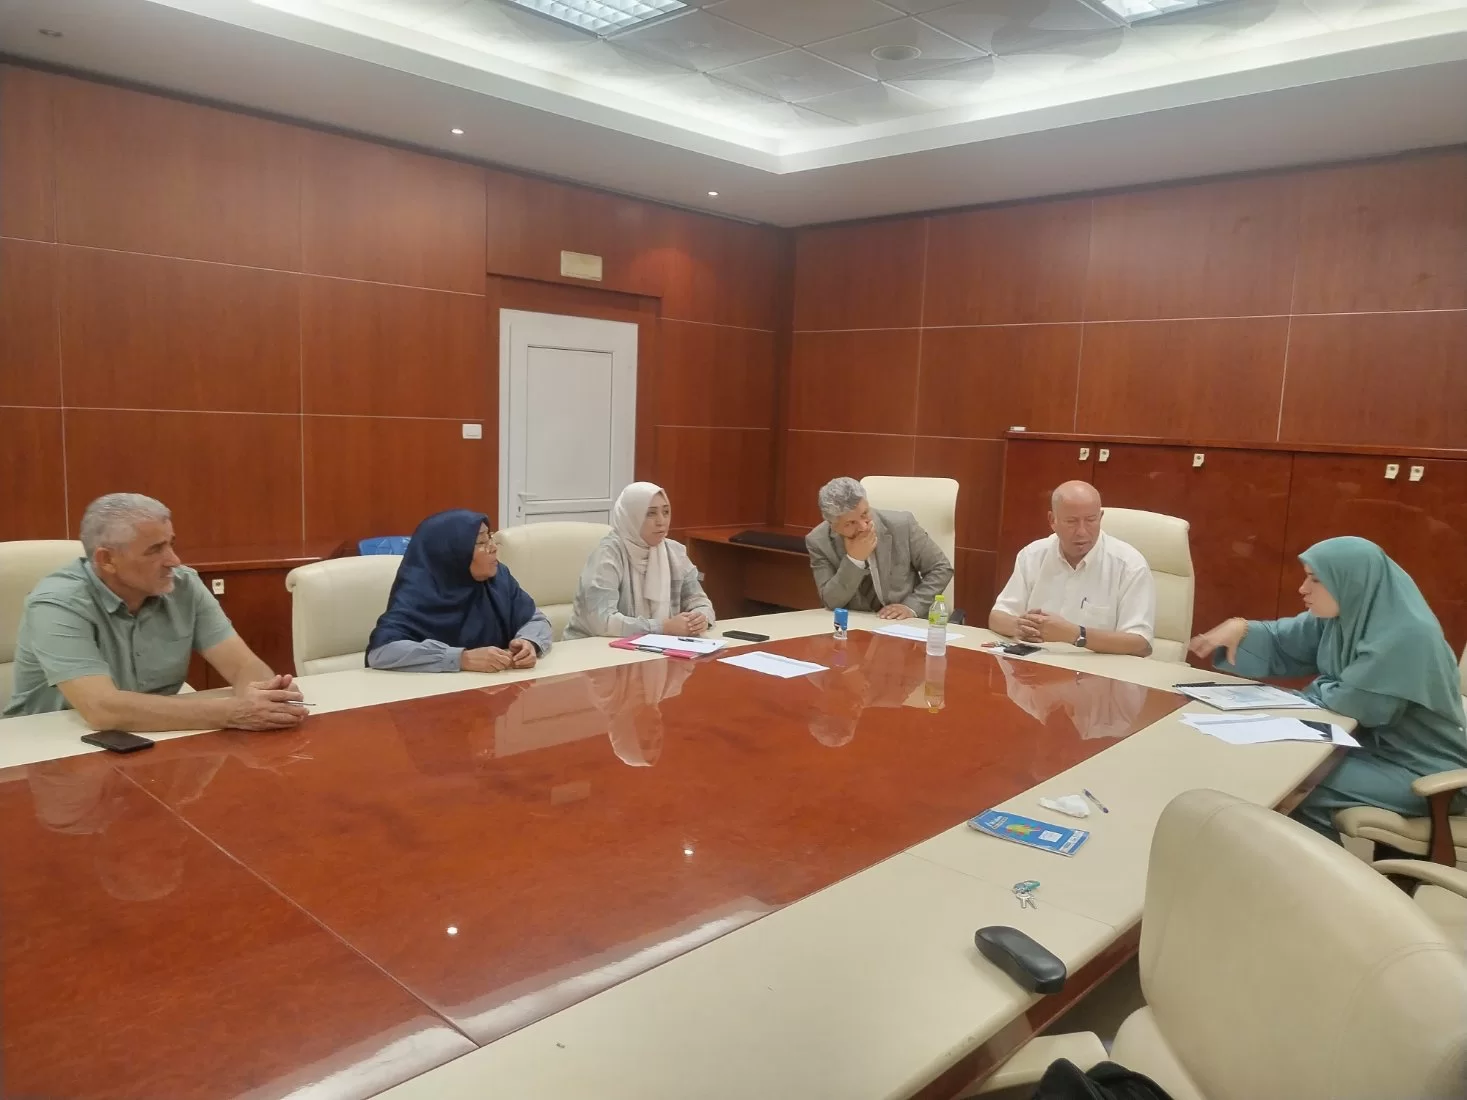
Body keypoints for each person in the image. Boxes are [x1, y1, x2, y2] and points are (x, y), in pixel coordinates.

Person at [1189, 536, 1467, 840]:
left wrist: (1319, 688)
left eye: (1316, 580)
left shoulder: (1408, 637)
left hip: (1426, 772)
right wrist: (1241, 629)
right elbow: (1285, 642)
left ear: (1352, 582)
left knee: (1294, 783)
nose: (1303, 588)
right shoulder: (1344, 616)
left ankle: (1317, 870)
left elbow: (1357, 704)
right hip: (1370, 752)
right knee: (1286, 772)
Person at [4, 493, 307, 731]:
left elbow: (242, 667)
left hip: (154, 734)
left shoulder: (183, 585)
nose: (174, 560)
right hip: (49, 749)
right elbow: (102, 709)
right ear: (107, 560)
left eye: (171, 544)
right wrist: (234, 711)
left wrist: (267, 695)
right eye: (155, 550)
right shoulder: (57, 603)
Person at [367, 510, 552, 673]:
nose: (494, 548)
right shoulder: (419, 591)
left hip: (498, 690)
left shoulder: (498, 578)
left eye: (490, 537)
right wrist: (461, 659)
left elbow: (535, 619)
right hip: (435, 695)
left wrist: (529, 642)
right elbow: (381, 652)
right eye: (482, 542)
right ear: (452, 553)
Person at [990, 481, 1154, 657]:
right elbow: (997, 617)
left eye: (1090, 520)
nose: (1082, 531)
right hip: (1036, 664)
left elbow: (1140, 644)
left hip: (1095, 669)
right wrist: (1020, 627)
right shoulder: (1032, 555)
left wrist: (1075, 635)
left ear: (1100, 517)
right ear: (1052, 520)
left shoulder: (1129, 565)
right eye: (1071, 521)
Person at [564, 482, 716, 640]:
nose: (661, 521)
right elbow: (601, 621)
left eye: (666, 512)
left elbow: (699, 601)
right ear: (631, 516)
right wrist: (663, 627)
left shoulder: (675, 553)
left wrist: (699, 618)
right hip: (594, 647)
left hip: (655, 646)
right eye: (650, 514)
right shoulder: (608, 554)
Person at [805, 477, 953, 621]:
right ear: (833, 525)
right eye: (851, 523)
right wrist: (854, 560)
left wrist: (911, 606)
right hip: (853, 622)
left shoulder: (902, 525)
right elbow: (831, 601)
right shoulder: (819, 541)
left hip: (902, 623)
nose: (863, 526)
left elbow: (941, 568)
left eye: (864, 514)